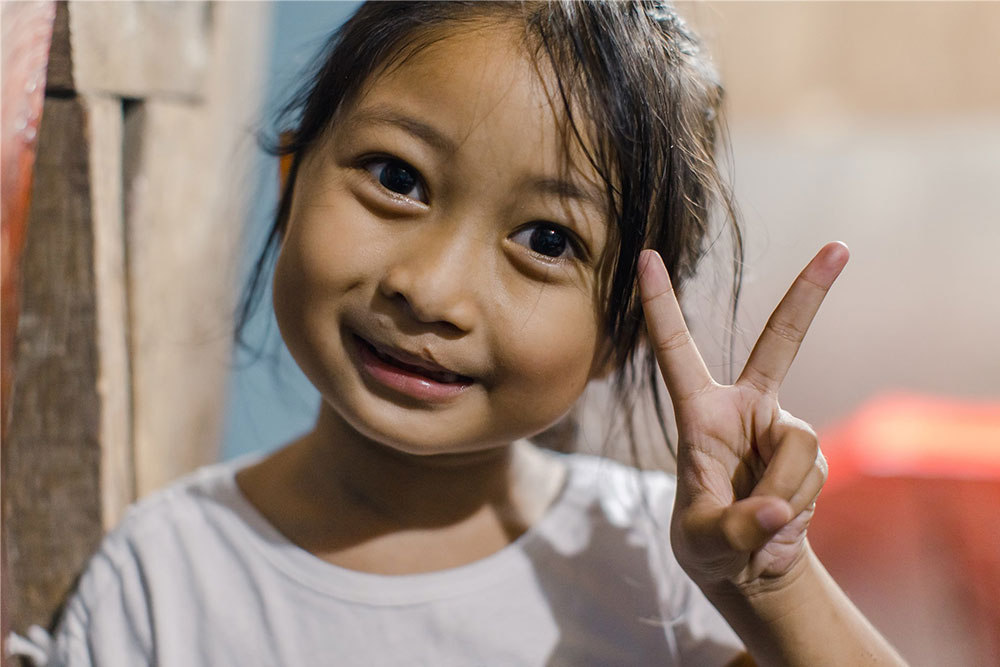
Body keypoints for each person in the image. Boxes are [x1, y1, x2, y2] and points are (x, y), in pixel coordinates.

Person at [14, 2, 906, 665]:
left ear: (622, 337)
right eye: (396, 177)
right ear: (291, 179)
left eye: (547, 240)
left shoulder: (669, 568)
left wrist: (767, 586)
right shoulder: (163, 577)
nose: (431, 290)